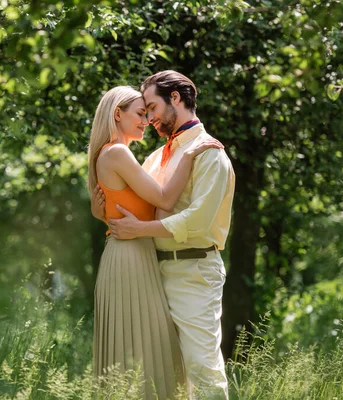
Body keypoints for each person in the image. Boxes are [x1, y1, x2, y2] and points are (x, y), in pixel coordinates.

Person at [91, 71, 235, 399]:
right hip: (150, 271)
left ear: (175, 99)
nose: (150, 118)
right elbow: (138, 203)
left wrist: (140, 230)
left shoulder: (209, 152)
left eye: (152, 107)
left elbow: (197, 222)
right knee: (164, 372)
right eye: (143, 111)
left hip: (192, 271)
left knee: (201, 367)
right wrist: (103, 210)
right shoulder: (155, 157)